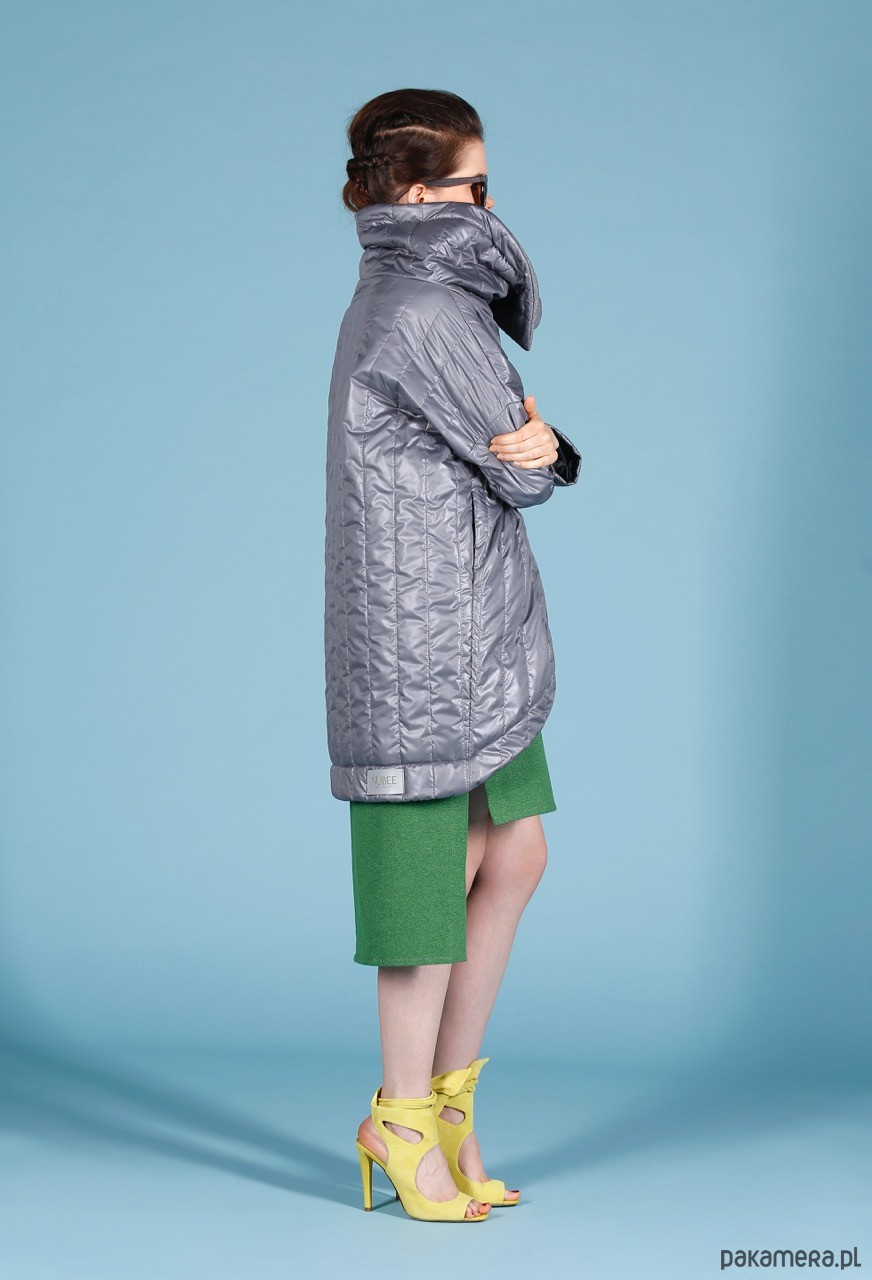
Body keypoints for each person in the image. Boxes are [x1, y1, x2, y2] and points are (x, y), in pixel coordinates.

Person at [323, 88, 582, 1221]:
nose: (490, 205)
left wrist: (543, 446)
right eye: (477, 186)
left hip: (460, 624)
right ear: (425, 195)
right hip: (423, 642)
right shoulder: (426, 306)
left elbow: (519, 451)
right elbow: (521, 469)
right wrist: (550, 449)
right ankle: (401, 1116)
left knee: (512, 852)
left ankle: (446, 1103)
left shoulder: (414, 294)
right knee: (426, 886)